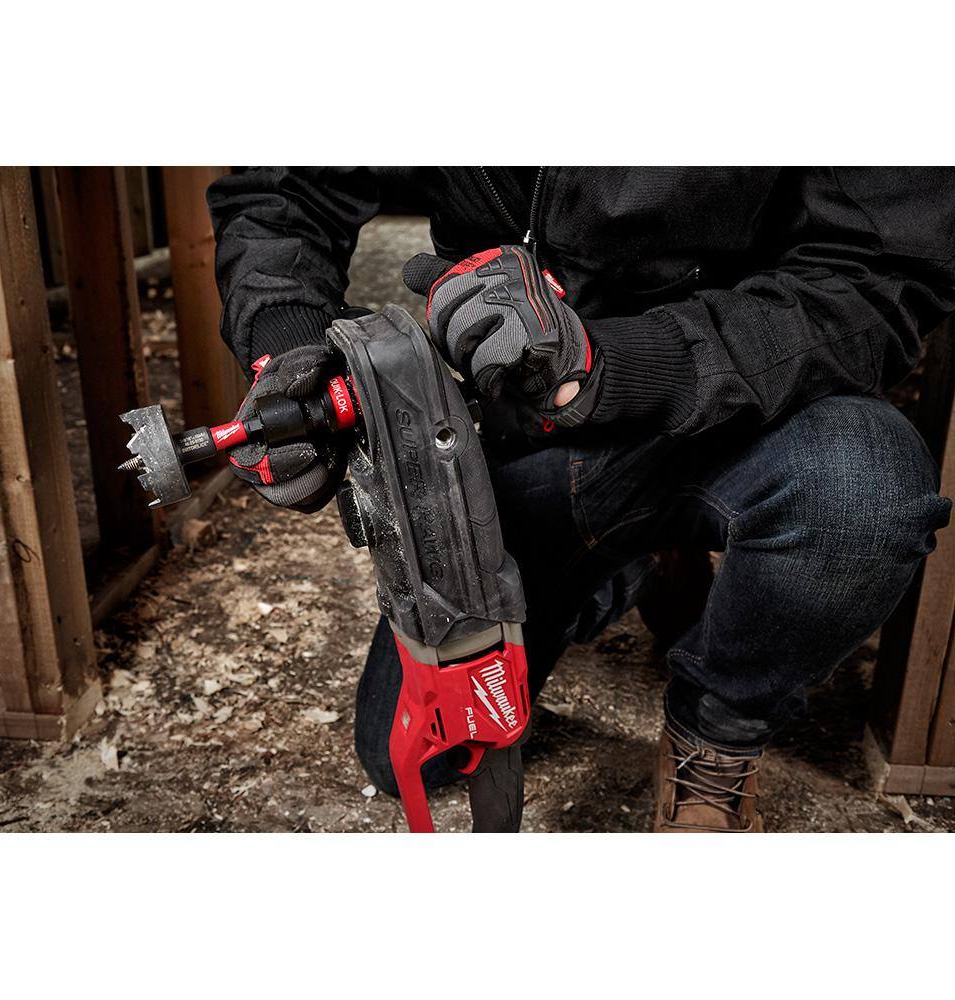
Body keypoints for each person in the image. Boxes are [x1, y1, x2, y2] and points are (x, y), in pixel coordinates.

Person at [207, 168, 954, 832]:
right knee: (411, 758)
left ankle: (717, 737)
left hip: (744, 416)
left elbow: (879, 273)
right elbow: (285, 190)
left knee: (863, 492)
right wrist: (288, 340)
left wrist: (612, 363)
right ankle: (630, 564)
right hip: (514, 431)